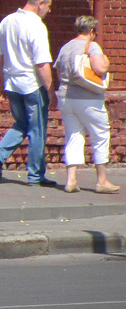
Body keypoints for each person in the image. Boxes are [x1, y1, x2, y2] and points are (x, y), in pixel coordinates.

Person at [0, 0, 57, 187]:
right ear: (40, 3)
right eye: (48, 7)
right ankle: (35, 175)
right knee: (37, 130)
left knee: (21, 124)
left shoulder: (7, 21)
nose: (48, 11)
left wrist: (2, 80)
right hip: (31, 84)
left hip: (12, 82)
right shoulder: (37, 26)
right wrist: (50, 90)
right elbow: (41, 63)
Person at [53, 16, 119, 194]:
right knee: (101, 134)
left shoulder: (65, 47)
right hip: (88, 98)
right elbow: (100, 69)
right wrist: (106, 62)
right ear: (91, 31)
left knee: (73, 135)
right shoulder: (92, 45)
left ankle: (71, 180)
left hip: (66, 97)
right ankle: (101, 180)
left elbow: (59, 73)